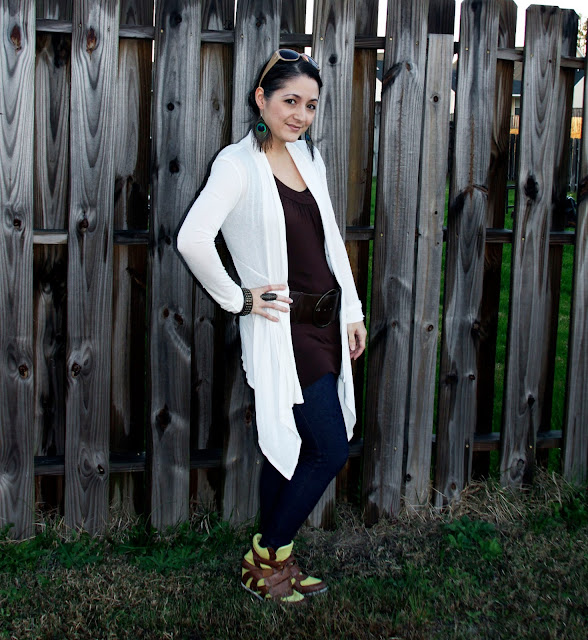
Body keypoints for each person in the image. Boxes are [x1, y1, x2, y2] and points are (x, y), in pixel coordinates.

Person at [176, 49, 367, 603]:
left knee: (293, 443)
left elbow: (331, 243)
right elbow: (192, 239)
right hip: (286, 332)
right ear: (261, 99)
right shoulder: (236, 165)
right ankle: (268, 555)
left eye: (311, 104)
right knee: (330, 449)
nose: (301, 115)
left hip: (325, 325)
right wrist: (238, 299)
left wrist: (352, 312)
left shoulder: (309, 157)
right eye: (290, 101)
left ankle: (268, 564)